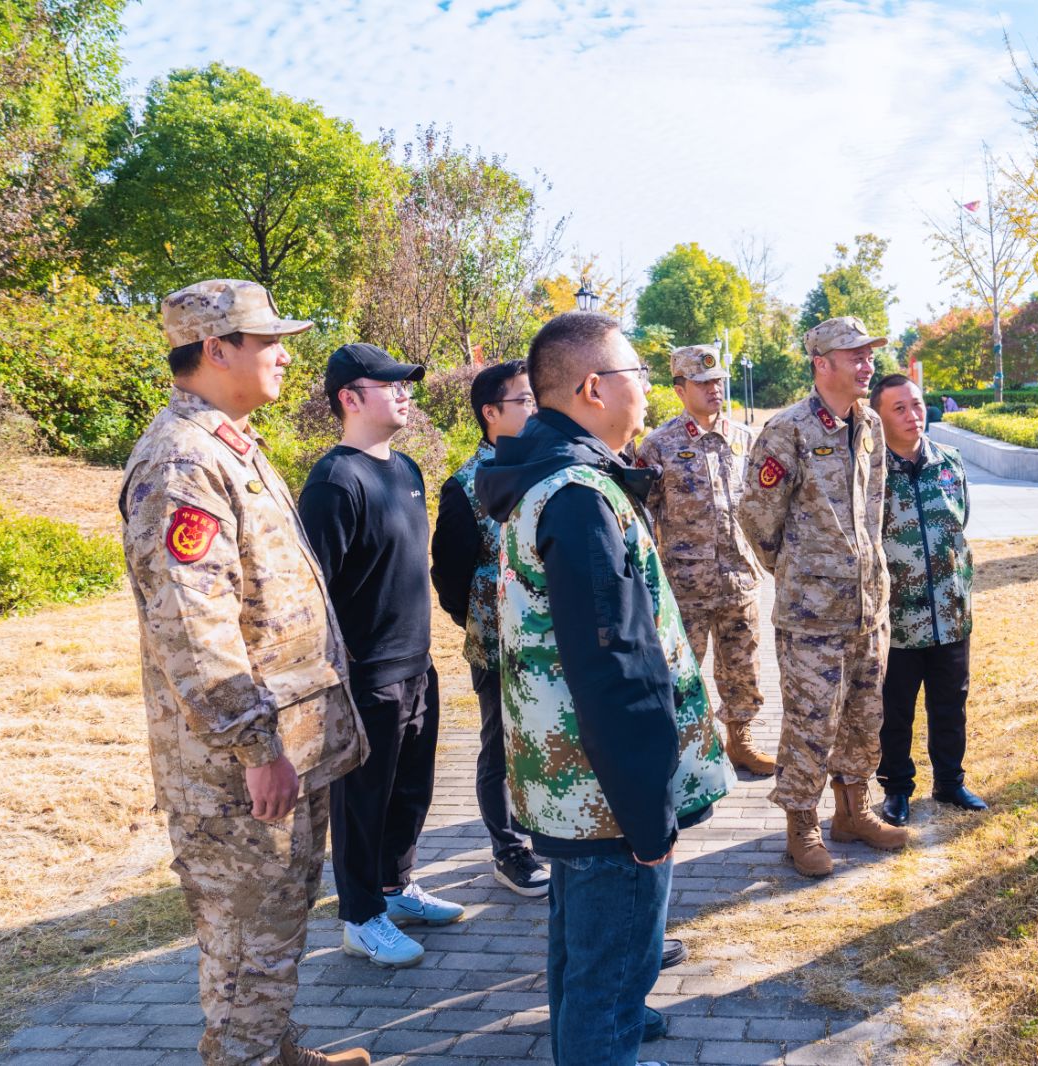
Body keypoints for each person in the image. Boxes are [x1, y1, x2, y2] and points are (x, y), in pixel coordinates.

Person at [119, 279, 370, 1066]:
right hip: (237, 769)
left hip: (276, 748)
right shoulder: (183, 462)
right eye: (268, 341)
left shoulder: (227, 444)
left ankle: (270, 1050)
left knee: (271, 931)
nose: (286, 355)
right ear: (216, 349)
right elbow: (195, 631)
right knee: (249, 942)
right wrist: (256, 747)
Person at [474, 311, 732, 1066]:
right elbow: (613, 667)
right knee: (608, 976)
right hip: (608, 797)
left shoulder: (556, 478)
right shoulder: (580, 496)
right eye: (638, 374)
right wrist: (649, 813)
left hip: (580, 788)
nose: (648, 391)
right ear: (594, 387)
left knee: (582, 954)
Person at [299, 343, 463, 969]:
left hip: (416, 664)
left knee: (411, 789)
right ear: (349, 397)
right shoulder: (335, 482)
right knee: (362, 801)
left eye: (406, 383)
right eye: (389, 383)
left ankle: (397, 889)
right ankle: (361, 916)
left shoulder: (407, 470)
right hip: (364, 675)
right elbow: (312, 593)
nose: (404, 393)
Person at [738, 315, 907, 878]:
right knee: (812, 721)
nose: (867, 364)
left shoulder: (872, 426)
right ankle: (801, 825)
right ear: (822, 364)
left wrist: (866, 567)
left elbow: (874, 508)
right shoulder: (786, 431)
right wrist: (796, 570)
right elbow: (758, 517)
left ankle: (853, 811)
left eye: (869, 354)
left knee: (865, 714)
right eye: (854, 355)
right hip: (811, 612)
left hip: (867, 604)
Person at [430, 360, 551, 898]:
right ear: (491, 413)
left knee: (551, 737)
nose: (534, 408)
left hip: (553, 641)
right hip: (500, 645)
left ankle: (551, 829)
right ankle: (508, 849)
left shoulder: (551, 467)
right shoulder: (465, 484)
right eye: (523, 400)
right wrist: (480, 618)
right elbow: (449, 574)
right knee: (499, 745)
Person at [636, 344, 774, 776]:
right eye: (703, 382)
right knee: (682, 673)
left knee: (743, 669)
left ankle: (741, 741)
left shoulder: (745, 440)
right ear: (680, 389)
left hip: (740, 580)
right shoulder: (658, 446)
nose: (714, 389)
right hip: (685, 585)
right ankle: (691, 754)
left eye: (718, 381)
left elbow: (761, 507)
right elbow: (644, 514)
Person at [869, 374, 986, 827]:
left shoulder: (949, 462)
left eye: (916, 404)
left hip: (951, 614)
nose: (912, 415)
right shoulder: (872, 472)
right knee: (895, 710)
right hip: (897, 618)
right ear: (879, 417)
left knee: (950, 704)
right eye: (898, 408)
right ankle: (896, 788)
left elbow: (961, 524)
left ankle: (950, 782)